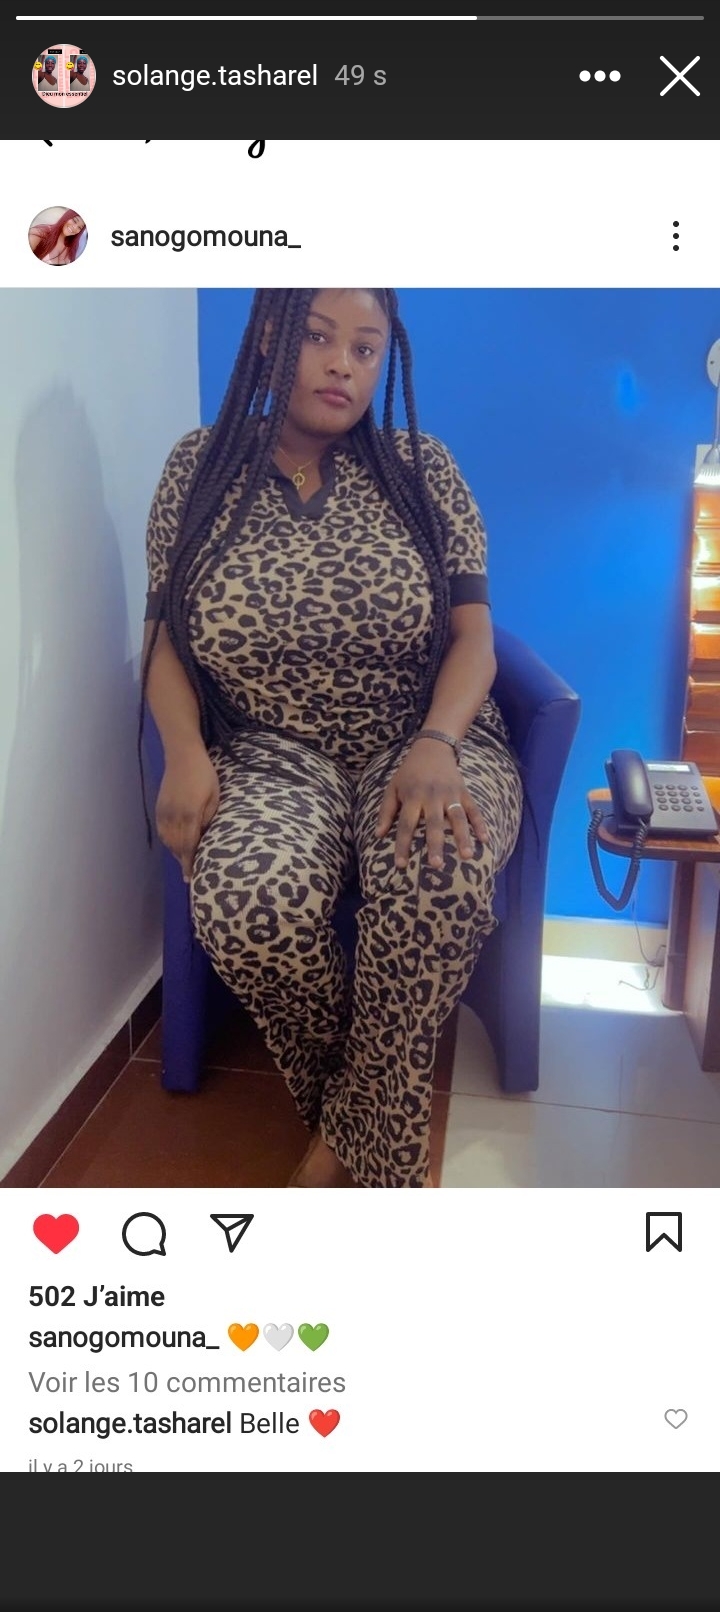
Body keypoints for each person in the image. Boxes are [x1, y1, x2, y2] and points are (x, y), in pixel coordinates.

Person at [140, 288, 523, 1189]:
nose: (342, 365)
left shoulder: (424, 469)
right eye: (317, 337)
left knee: (441, 871)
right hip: (269, 751)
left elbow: (475, 639)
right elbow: (163, 643)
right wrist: (186, 754)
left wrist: (437, 741)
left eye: (365, 347)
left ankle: (342, 1147)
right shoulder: (199, 467)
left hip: (427, 738)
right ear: (270, 340)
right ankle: (371, 1114)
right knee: (246, 904)